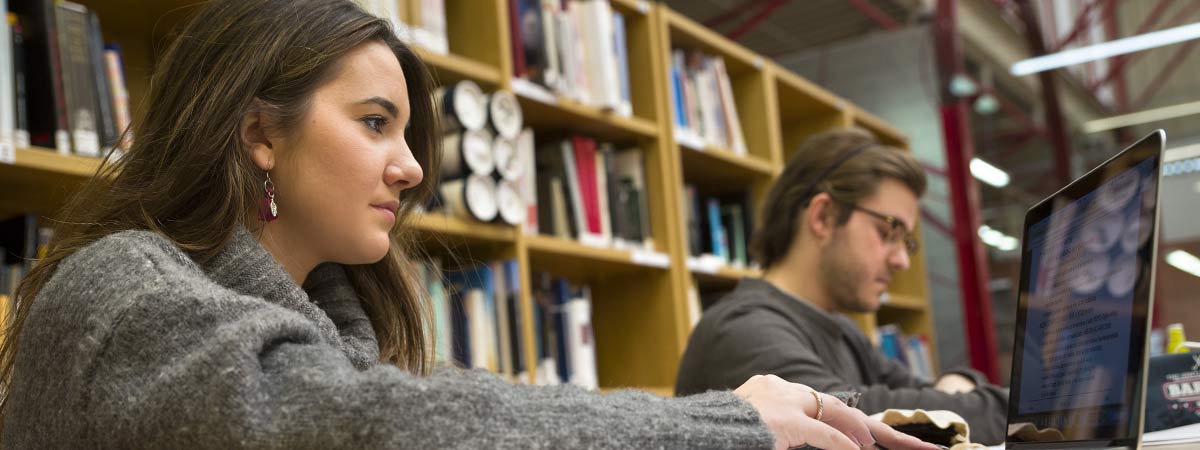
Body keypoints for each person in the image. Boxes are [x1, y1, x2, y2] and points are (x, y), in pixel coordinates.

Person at [0, 1, 938, 449]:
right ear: (259, 134)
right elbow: (363, 426)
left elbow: (445, 402)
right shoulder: (123, 290)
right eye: (377, 124)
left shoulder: (333, 332)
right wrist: (731, 426)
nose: (412, 170)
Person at [674, 129, 1010, 445]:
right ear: (823, 217)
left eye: (905, 242)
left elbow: (927, 403)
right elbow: (866, 425)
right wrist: (970, 399)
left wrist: (959, 385)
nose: (901, 261)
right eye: (888, 232)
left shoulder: (844, 332)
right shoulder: (741, 330)